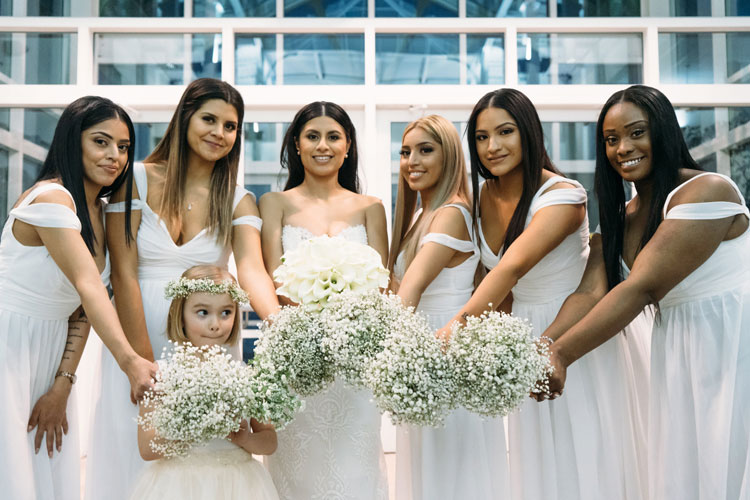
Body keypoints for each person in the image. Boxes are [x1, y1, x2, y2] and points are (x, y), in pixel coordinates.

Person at [543, 85, 750, 500]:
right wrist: (543, 345)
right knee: (685, 474)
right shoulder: (623, 217)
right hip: (677, 348)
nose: (623, 148)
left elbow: (643, 287)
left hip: (731, 343)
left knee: (726, 465)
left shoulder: (708, 191)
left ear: (664, 131)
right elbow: (588, 295)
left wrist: (562, 355)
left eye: (637, 132)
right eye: (611, 139)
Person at [87, 78, 279, 500]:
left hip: (205, 334)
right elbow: (122, 271)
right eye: (209, 119)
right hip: (136, 329)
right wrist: (139, 361)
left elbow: (251, 272)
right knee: (134, 437)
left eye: (230, 126)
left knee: (198, 451)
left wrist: (280, 324)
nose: (219, 133)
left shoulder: (237, 198)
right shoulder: (132, 178)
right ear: (184, 118)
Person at [433, 88, 625, 500]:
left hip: (573, 328)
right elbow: (495, 282)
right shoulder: (484, 196)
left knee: (584, 450)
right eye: (482, 138)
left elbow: (512, 266)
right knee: (538, 459)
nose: (492, 146)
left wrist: (458, 326)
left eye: (505, 132)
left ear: (529, 132)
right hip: (520, 335)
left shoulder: (564, 195)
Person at [0, 96, 156, 500]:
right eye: (101, 142)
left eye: (123, 147)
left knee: (44, 462)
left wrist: (62, 384)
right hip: (10, 341)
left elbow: (82, 311)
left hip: (49, 347)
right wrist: (130, 362)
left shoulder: (101, 211)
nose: (115, 156)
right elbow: (88, 286)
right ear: (73, 140)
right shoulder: (52, 198)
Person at [260, 101, 389, 500]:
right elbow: (271, 277)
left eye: (333, 137)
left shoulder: (371, 207)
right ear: (296, 146)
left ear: (348, 146)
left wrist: (351, 330)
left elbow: (382, 284)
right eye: (312, 136)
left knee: (355, 470)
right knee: (298, 472)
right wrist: (303, 335)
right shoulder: (274, 204)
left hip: (355, 361)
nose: (323, 145)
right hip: (298, 355)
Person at [389, 115, 510, 500]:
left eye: (426, 150)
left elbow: (412, 286)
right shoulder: (422, 218)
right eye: (406, 152)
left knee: (455, 470)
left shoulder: (452, 213)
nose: (412, 161)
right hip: (423, 346)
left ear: (451, 157)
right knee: (432, 468)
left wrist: (389, 354)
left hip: (446, 348)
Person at [129, 265, 280, 500]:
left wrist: (244, 438)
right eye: (202, 312)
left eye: (226, 313)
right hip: (178, 486)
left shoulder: (245, 375)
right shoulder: (162, 375)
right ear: (180, 314)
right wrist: (193, 425)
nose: (215, 324)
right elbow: (147, 449)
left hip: (237, 485)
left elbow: (269, 442)